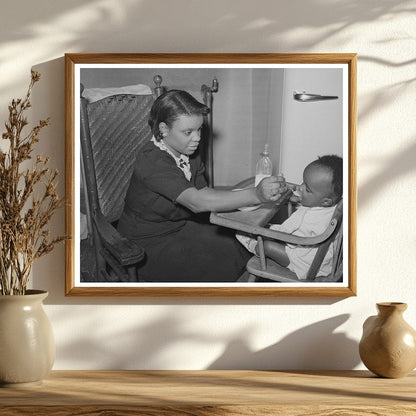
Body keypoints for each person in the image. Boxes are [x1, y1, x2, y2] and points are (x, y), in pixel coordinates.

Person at [117, 89, 283, 282]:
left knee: (237, 245)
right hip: (145, 243)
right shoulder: (153, 161)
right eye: (188, 132)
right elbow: (197, 201)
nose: (197, 138)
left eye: (199, 129)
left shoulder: (187, 150)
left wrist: (244, 200)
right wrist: (256, 195)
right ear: (163, 129)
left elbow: (203, 190)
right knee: (220, 264)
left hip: (179, 226)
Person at [237, 155, 343, 280]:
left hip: (306, 264)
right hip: (320, 258)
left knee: (268, 246)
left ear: (325, 201)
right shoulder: (331, 205)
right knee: (268, 230)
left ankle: (254, 246)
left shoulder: (312, 221)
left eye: (307, 189)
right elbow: (310, 208)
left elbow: (287, 232)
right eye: (303, 182)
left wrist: (266, 231)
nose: (300, 187)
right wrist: (300, 199)